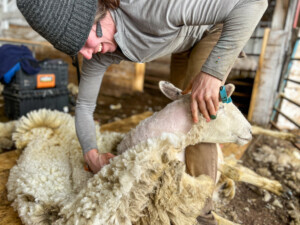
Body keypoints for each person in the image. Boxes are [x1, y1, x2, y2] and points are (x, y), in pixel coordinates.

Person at [17, 0, 268, 224]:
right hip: (180, 40)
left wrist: (213, 73)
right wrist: (91, 154)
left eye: (83, 42)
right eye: (77, 50)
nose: (85, 53)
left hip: (213, 28)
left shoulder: (151, 7)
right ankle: (171, 189)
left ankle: (202, 216)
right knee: (180, 110)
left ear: (98, 16)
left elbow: (252, 4)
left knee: (196, 113)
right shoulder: (99, 52)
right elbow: (84, 106)